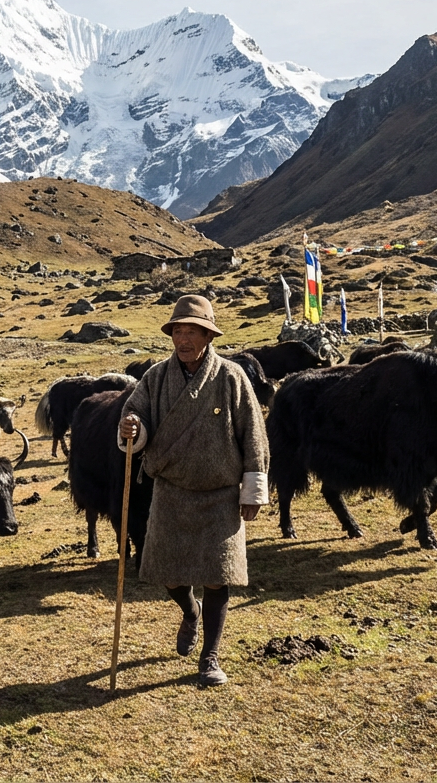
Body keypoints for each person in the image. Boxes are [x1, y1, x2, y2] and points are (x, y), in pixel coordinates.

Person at [117, 294, 269, 687]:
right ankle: (190, 611)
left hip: (220, 493)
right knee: (167, 573)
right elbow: (135, 415)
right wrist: (132, 426)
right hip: (171, 490)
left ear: (207, 335)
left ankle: (210, 658)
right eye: (177, 331)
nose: (183, 339)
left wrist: (252, 490)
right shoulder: (155, 378)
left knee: (219, 576)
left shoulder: (231, 377)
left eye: (192, 332)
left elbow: (253, 434)